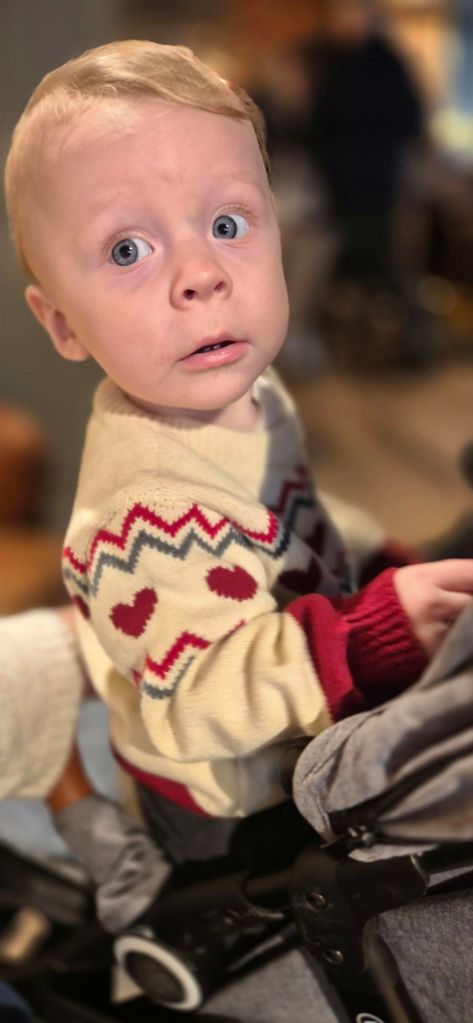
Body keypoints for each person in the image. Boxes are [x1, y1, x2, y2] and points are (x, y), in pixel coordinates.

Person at [4, 39, 473, 1020]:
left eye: (226, 224)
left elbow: (294, 518)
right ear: (62, 325)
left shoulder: (240, 393)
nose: (200, 276)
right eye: (127, 250)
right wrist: (365, 635)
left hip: (286, 674)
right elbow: (195, 706)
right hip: (223, 789)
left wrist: (377, 568)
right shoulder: (141, 518)